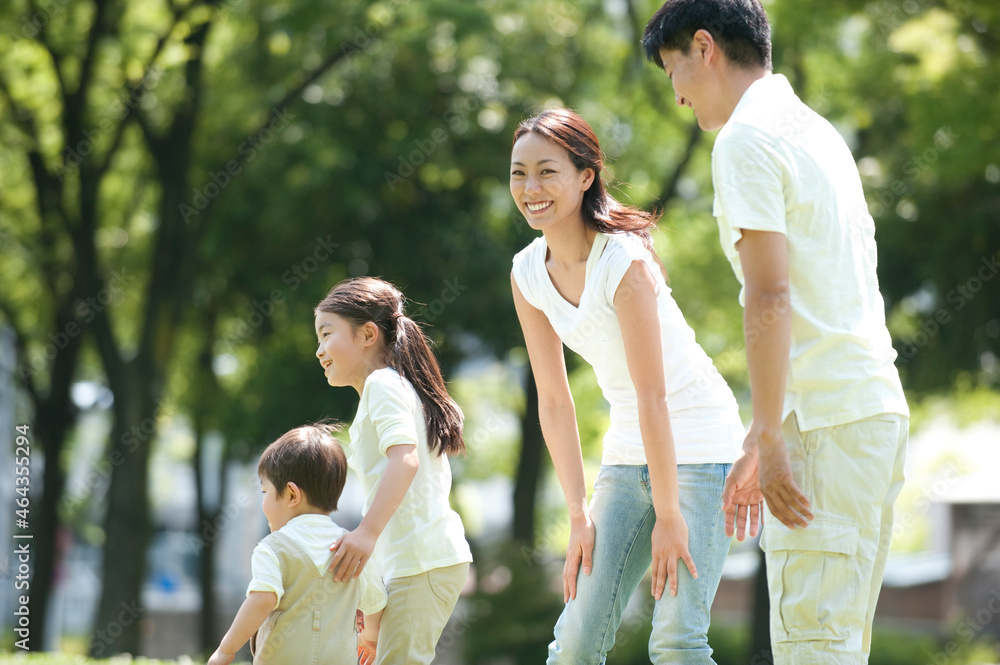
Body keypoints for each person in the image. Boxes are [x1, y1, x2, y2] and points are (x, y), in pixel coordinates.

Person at [641, 2, 910, 663]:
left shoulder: (744, 139)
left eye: (672, 69)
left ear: (704, 47)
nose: (676, 96)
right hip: (871, 415)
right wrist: (767, 431)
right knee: (839, 645)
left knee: (814, 649)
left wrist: (769, 427)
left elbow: (770, 291)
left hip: (824, 426)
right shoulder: (815, 131)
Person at [509, 107, 744, 664]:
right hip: (626, 453)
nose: (530, 188)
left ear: (585, 175)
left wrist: (669, 515)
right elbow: (554, 401)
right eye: (519, 173)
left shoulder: (623, 261)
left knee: (676, 641)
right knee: (576, 641)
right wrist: (576, 514)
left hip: (703, 452)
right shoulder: (526, 272)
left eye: (547, 171)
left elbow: (653, 396)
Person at [314, 276, 473, 665]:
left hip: (423, 561)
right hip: (415, 562)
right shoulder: (387, 388)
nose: (319, 350)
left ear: (368, 333)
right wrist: (373, 628)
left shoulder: (383, 385)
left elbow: (406, 459)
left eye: (326, 334)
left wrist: (365, 532)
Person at [207, 424, 386, 665]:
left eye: (265, 492)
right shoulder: (354, 550)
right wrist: (370, 639)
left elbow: (261, 601)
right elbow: (375, 602)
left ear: (292, 495)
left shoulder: (273, 549)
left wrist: (226, 649)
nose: (264, 503)